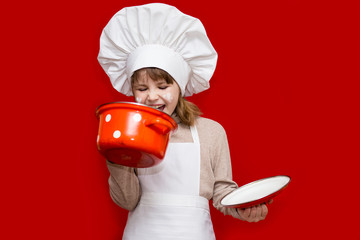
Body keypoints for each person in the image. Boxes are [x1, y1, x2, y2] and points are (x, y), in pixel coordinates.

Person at [98, 3, 269, 239]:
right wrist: (116, 156)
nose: (152, 96)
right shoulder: (130, 133)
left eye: (163, 86)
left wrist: (244, 209)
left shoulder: (211, 132)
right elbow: (128, 201)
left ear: (180, 86)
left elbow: (222, 193)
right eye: (141, 88)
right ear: (132, 91)